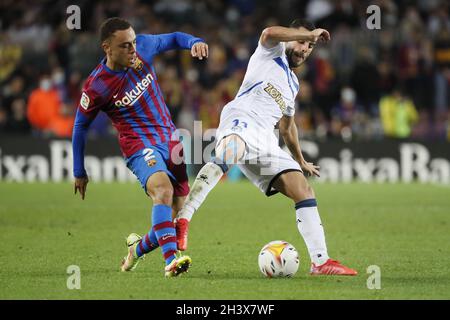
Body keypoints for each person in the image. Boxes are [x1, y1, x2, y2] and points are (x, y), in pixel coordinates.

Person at [175, 19, 357, 276]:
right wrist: (311, 34)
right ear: (291, 37)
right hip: (242, 118)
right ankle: (184, 216)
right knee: (231, 150)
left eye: (309, 46)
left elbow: (287, 127)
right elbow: (269, 32)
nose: (305, 49)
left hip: (266, 139)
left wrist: (301, 160)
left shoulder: (293, 84)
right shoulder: (271, 51)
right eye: (302, 42)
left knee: (303, 190)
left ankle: (320, 262)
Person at [72, 17, 209, 277]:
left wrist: (194, 42)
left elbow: (174, 37)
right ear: (107, 48)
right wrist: (79, 170)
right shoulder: (97, 85)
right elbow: (80, 126)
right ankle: (171, 260)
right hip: (139, 146)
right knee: (162, 189)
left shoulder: (144, 47)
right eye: (125, 46)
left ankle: (136, 250)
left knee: (177, 214)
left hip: (170, 140)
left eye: (133, 43)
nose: (132, 49)